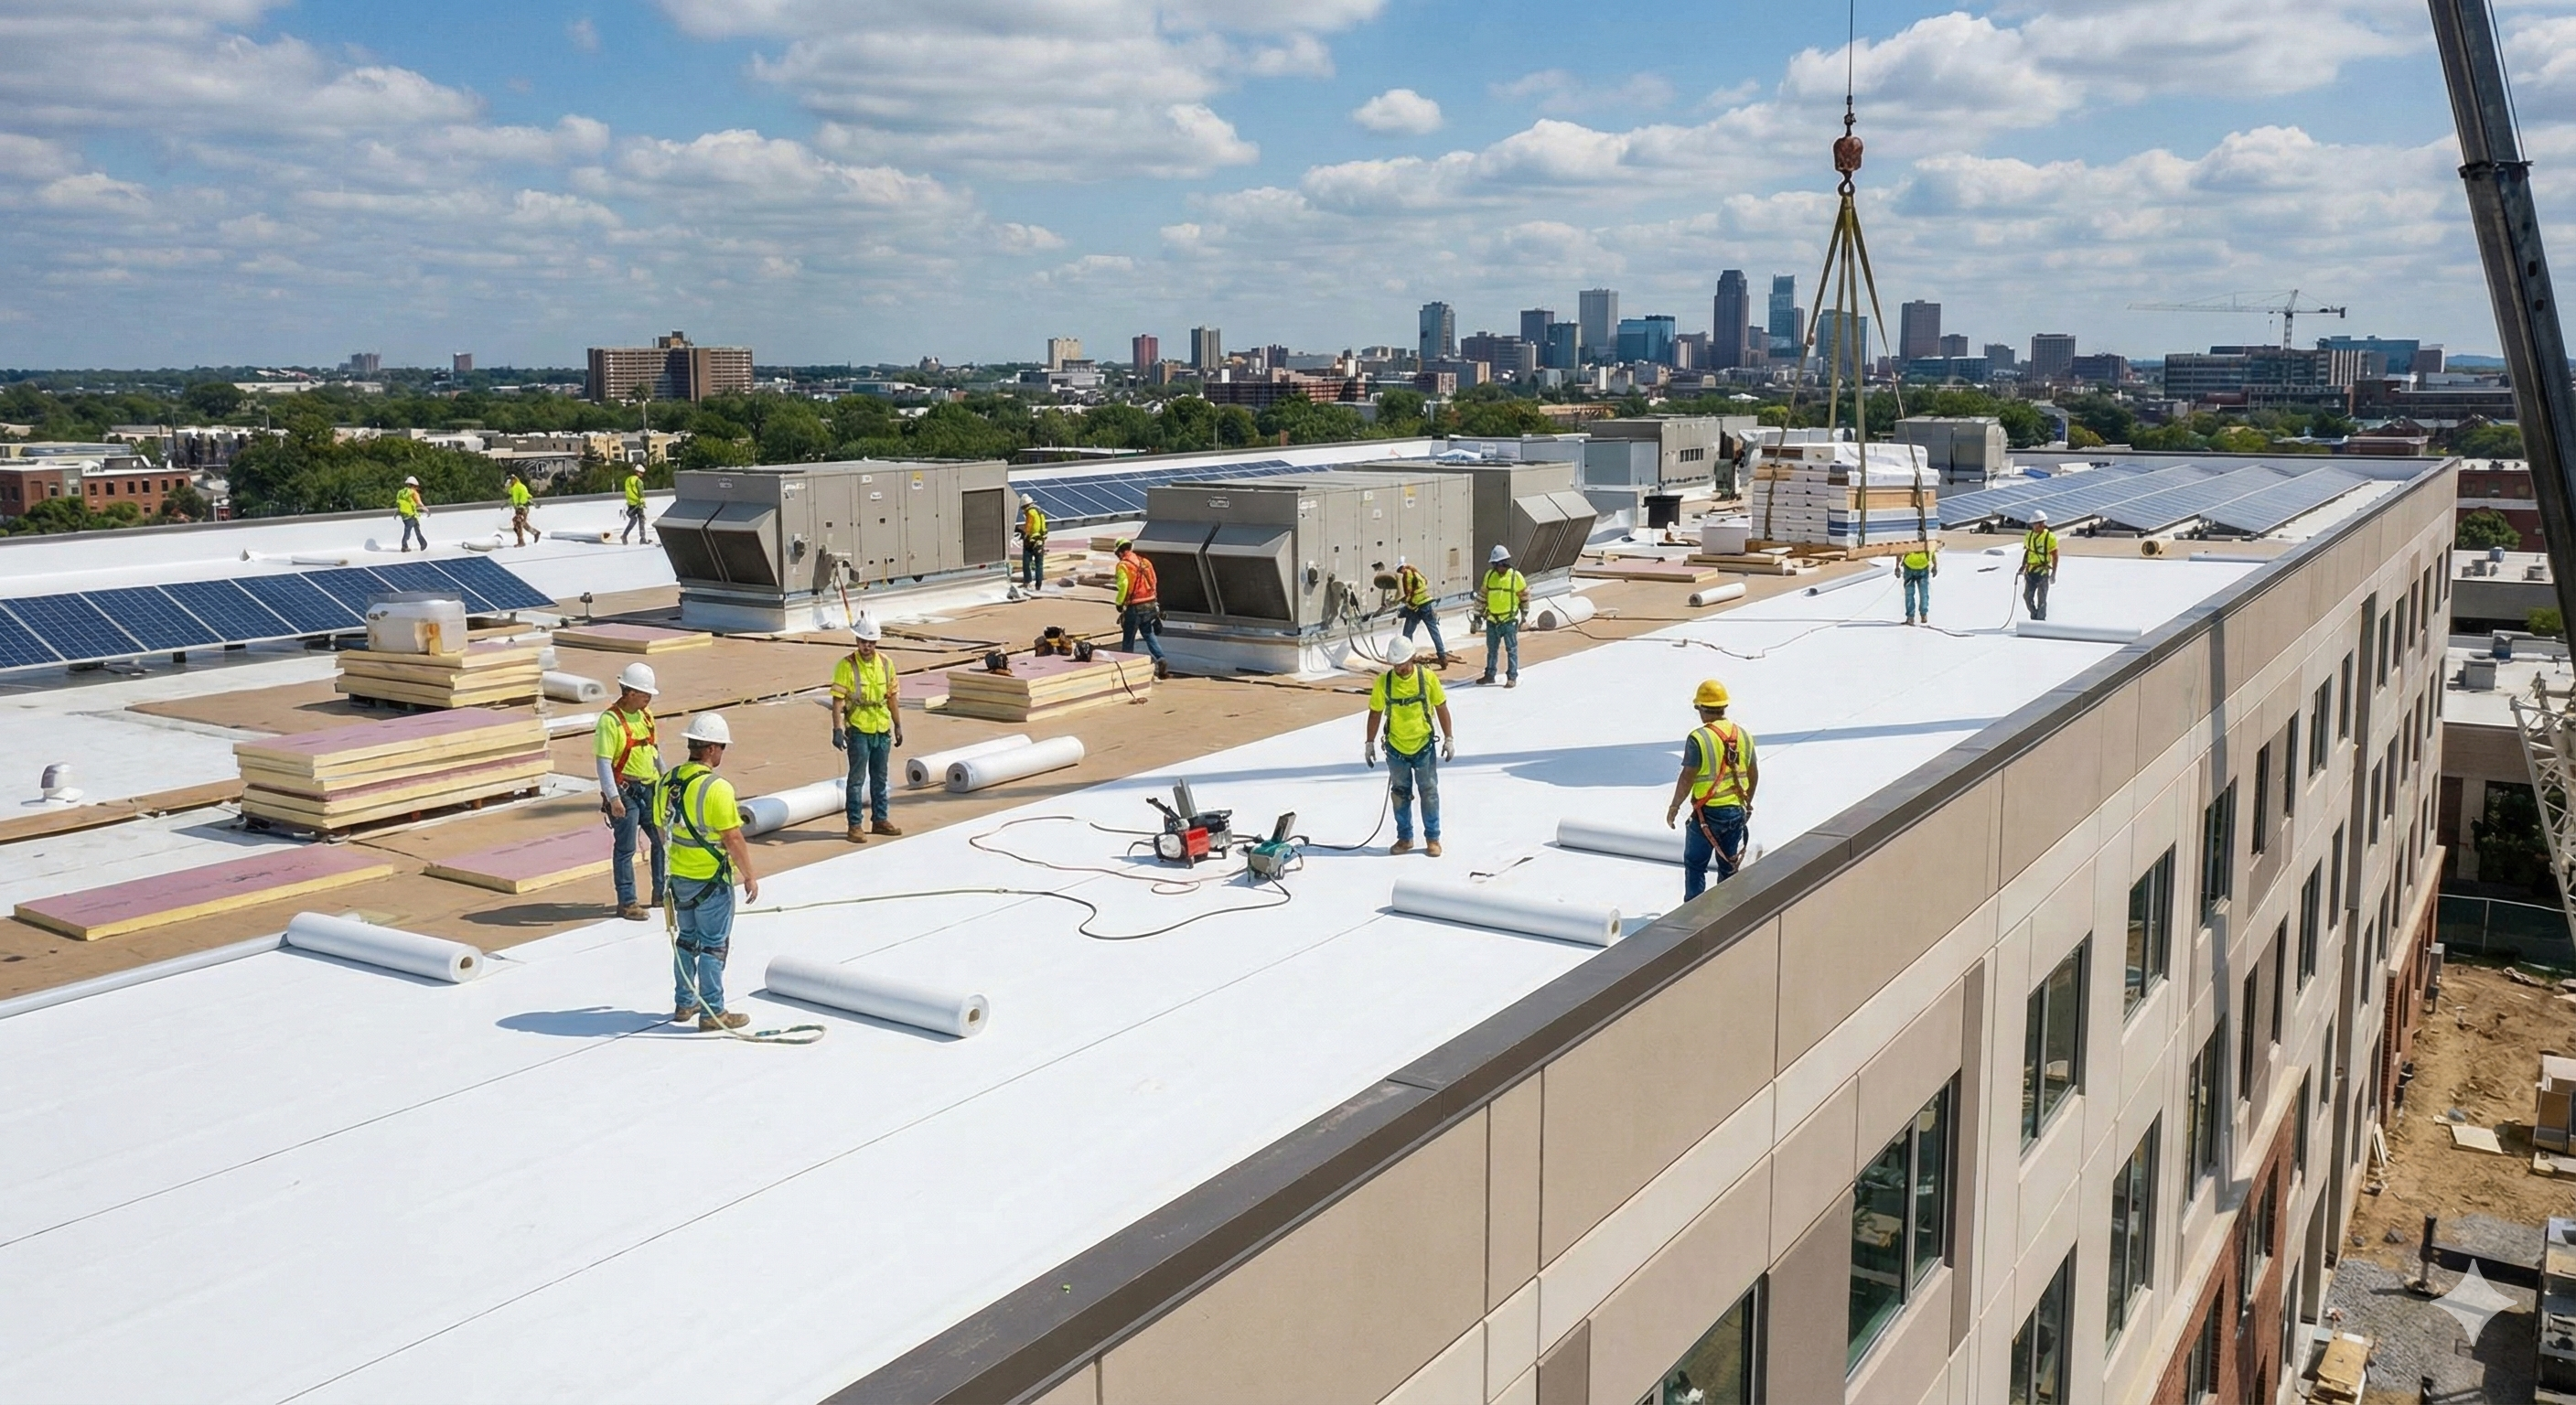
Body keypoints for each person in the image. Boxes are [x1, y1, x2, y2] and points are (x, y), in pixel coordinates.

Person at [662, 712, 758, 1031]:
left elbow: (660, 823)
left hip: (679, 878)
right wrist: (749, 875)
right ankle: (713, 1012)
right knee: (714, 945)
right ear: (713, 749)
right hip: (711, 881)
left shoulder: (668, 780)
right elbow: (732, 837)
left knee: (687, 941)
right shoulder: (717, 788)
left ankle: (684, 1003)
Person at [1664, 679, 1759, 902]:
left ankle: (1693, 916)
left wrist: (1674, 806)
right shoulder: (1743, 735)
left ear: (1700, 708)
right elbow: (1753, 773)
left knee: (1696, 865)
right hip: (1735, 813)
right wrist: (1746, 805)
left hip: (1707, 814)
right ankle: (1725, 913)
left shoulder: (1699, 738)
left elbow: (1688, 777)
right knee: (1729, 866)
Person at [1364, 647, 1455, 857]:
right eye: (1396, 665)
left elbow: (1441, 707)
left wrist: (1449, 738)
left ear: (1413, 659)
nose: (1400, 669)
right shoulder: (1384, 682)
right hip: (1396, 749)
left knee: (1429, 792)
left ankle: (1433, 838)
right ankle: (1405, 838)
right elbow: (1375, 712)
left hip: (1423, 745)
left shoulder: (1427, 678)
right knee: (1400, 794)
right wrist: (1369, 742)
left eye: (1404, 664)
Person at [594, 662, 667, 921]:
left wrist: (665, 783)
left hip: (649, 788)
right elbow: (603, 762)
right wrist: (613, 798)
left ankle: (661, 893)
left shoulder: (647, 717)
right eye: (645, 694)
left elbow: (655, 752)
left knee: (660, 841)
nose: (649, 698)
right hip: (624, 791)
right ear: (630, 692)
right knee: (625, 849)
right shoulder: (610, 721)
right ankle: (627, 903)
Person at [831, 615, 904, 842]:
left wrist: (898, 724)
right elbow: (838, 700)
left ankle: (880, 819)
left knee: (880, 778)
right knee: (856, 780)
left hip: (881, 728)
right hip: (859, 729)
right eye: (863, 641)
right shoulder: (846, 666)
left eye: (871, 642)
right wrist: (837, 728)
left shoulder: (885, 663)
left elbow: (892, 697)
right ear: (857, 640)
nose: (867, 646)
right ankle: (855, 826)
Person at [1114, 538, 1170, 679]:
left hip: (1135, 606)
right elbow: (1154, 580)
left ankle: (1126, 667)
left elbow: (1124, 585)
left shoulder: (1123, 566)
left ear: (1120, 552)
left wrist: (1119, 603)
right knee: (1148, 634)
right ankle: (1161, 658)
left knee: (1128, 637)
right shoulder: (1145, 562)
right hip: (1150, 604)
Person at [1476, 544, 1528, 687]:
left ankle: (1512, 677)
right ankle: (1489, 675)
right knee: (1492, 650)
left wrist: (1524, 616)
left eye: (1499, 564)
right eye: (1495, 565)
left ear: (1505, 562)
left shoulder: (1515, 577)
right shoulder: (1490, 576)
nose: (1498, 568)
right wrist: (1477, 616)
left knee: (1511, 649)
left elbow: (1524, 597)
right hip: (1492, 620)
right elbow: (1482, 596)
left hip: (1508, 621)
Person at [1393, 556, 1449, 667]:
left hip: (1416, 607)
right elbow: (1424, 583)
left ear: (1402, 568)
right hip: (1426, 605)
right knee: (1434, 631)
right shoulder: (1416, 572)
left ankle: (1408, 657)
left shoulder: (1407, 574)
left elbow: (1408, 592)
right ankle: (1442, 657)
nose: (1400, 573)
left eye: (1400, 571)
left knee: (1407, 634)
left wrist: (1402, 603)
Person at [2022, 509, 2060, 621]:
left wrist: (2053, 573)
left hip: (2042, 572)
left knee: (2042, 599)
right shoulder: (2029, 536)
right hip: (2030, 571)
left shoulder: (2050, 537)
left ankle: (2040, 620)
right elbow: (2028, 551)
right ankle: (2034, 616)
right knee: (2027, 597)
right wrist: (2023, 566)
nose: (2036, 526)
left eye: (2038, 524)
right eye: (2034, 524)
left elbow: (2055, 556)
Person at [1899, 541, 1937, 626]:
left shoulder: (1922, 539)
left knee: (1922, 593)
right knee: (1913, 593)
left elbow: (1932, 551)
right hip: (1910, 567)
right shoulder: (1912, 538)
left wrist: (1935, 565)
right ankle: (1911, 617)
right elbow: (1900, 550)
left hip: (1921, 568)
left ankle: (1922, 614)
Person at [1018, 495, 1048, 592]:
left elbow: (1028, 527)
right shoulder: (1040, 512)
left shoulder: (1030, 512)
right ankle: (1038, 585)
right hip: (1040, 541)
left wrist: (1024, 535)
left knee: (1026, 563)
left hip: (1031, 542)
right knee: (1039, 564)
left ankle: (1027, 582)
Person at [395, 476, 427, 552]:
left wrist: (396, 513)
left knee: (409, 530)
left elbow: (399, 504)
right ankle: (405, 545)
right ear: (414, 485)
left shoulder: (401, 492)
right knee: (413, 530)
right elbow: (419, 503)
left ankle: (422, 543)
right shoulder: (413, 492)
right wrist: (425, 508)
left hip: (404, 516)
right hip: (412, 515)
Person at [621, 466, 649, 544]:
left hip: (630, 503)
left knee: (633, 520)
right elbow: (641, 493)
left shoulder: (628, 480)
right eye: (642, 473)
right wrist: (642, 502)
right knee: (641, 520)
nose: (642, 475)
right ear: (638, 472)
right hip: (638, 503)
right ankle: (642, 539)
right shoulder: (638, 481)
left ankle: (624, 535)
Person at [506, 472, 533, 547]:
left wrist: (515, 506)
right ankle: (535, 533)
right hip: (525, 507)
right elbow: (528, 495)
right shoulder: (521, 485)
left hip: (521, 508)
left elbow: (515, 500)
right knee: (523, 523)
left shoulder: (515, 488)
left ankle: (521, 542)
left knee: (517, 523)